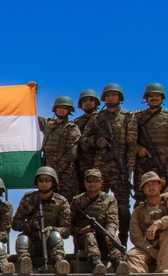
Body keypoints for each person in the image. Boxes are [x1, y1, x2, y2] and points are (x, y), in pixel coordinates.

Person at [79, 83, 137, 244]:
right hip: (100, 171)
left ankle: (122, 242)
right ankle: (98, 242)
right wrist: (96, 141)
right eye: (108, 95)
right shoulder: (97, 118)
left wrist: (128, 169)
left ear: (120, 98)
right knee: (97, 208)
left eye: (114, 94)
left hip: (120, 170)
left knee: (123, 209)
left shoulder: (127, 117)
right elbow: (83, 141)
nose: (111, 97)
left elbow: (132, 146)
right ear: (104, 98)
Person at [11, 167, 71, 276]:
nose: (44, 183)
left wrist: (52, 229)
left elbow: (67, 230)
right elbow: (15, 224)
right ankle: (26, 266)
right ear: (37, 182)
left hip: (50, 245)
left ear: (53, 182)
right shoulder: (29, 199)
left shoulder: (61, 202)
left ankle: (59, 264)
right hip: (32, 243)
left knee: (55, 235)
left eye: (47, 180)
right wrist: (30, 224)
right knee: (22, 239)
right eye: (41, 180)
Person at [71, 168, 128, 276]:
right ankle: (96, 264)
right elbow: (67, 225)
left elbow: (112, 221)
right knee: (89, 236)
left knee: (113, 238)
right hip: (84, 239)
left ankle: (120, 264)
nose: (92, 184)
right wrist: (81, 230)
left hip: (103, 236)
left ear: (101, 182)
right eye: (89, 180)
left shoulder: (109, 200)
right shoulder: (77, 201)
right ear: (85, 183)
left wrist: (110, 233)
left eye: (95, 180)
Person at [134, 84, 168, 188]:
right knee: (141, 195)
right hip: (143, 165)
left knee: (165, 194)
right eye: (151, 95)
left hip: (164, 164)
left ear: (162, 98)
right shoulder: (138, 117)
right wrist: (138, 148)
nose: (154, 98)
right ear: (146, 98)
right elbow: (130, 139)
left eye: (157, 95)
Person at [39, 95, 81, 201]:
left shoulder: (71, 128)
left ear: (69, 111)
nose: (62, 110)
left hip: (65, 174)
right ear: (55, 109)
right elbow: (30, 116)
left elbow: (72, 153)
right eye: (59, 107)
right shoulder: (48, 124)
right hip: (48, 171)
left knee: (68, 202)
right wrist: (32, 92)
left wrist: (57, 170)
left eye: (65, 108)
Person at [73, 89, 100, 190]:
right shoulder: (77, 122)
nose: (87, 103)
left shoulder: (102, 119)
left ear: (95, 102)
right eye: (84, 101)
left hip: (97, 162)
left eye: (90, 100)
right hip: (81, 163)